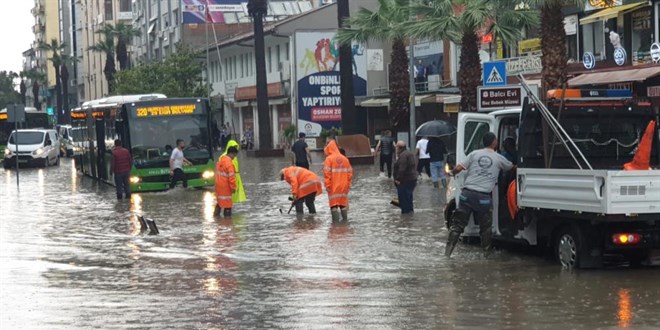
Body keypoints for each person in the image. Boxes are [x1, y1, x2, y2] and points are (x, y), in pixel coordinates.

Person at [444, 132, 515, 258]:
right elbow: (511, 168)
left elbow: (459, 168)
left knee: (457, 226)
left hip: (466, 195)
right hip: (483, 198)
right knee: (485, 229)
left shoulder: (474, 154)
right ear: (494, 142)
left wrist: (450, 172)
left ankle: (447, 254)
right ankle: (486, 255)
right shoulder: (499, 158)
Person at [323, 138, 353, 222]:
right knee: (343, 204)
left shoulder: (328, 159)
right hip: (344, 186)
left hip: (333, 186)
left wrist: (327, 185)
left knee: (333, 206)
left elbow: (327, 174)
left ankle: (335, 225)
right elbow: (350, 173)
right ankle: (345, 223)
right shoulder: (345, 159)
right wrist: (348, 184)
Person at [393, 141, 417, 214]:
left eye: (396, 147)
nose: (395, 149)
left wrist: (397, 179)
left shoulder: (403, 155)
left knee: (403, 199)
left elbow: (402, 169)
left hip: (405, 180)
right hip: (412, 179)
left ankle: (405, 216)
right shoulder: (409, 153)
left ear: (399, 148)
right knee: (408, 197)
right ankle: (410, 214)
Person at [215, 146, 239, 217]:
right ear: (231, 154)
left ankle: (216, 218)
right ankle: (227, 222)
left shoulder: (220, 161)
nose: (234, 157)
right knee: (227, 205)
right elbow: (231, 178)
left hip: (218, 185)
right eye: (234, 155)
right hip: (226, 187)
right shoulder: (229, 164)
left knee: (219, 203)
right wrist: (233, 188)